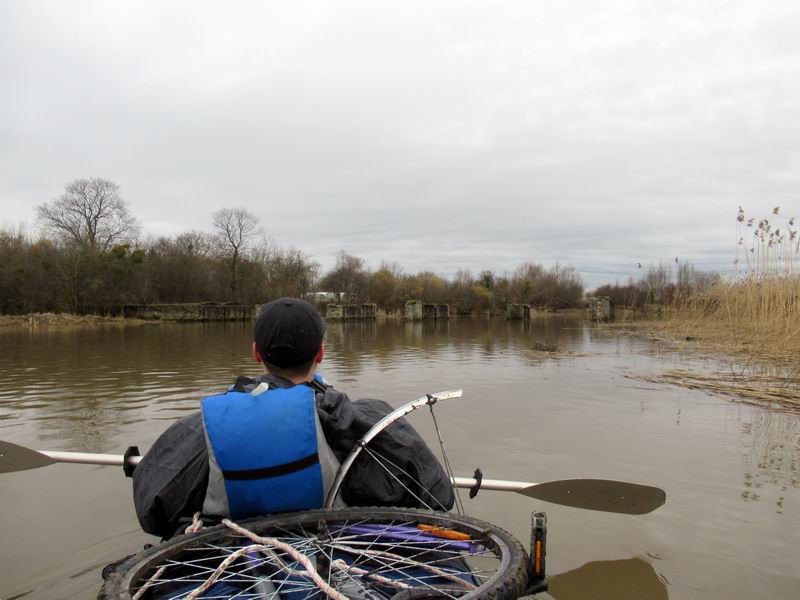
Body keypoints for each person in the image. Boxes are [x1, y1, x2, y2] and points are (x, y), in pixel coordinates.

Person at [133, 298, 454, 539]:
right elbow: (437, 497)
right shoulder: (365, 420)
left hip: (238, 557)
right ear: (321, 354)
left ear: (256, 353)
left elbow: (154, 514)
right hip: (335, 551)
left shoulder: (202, 427)